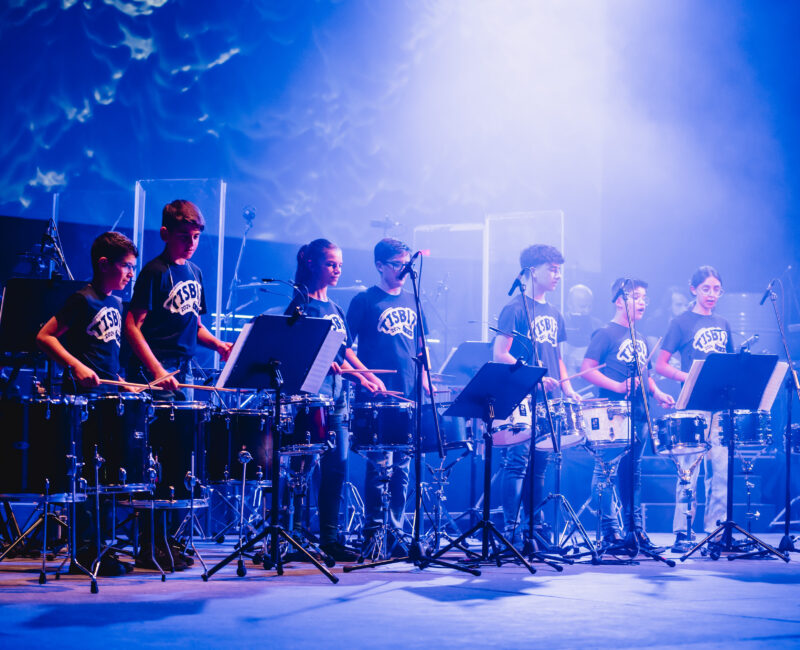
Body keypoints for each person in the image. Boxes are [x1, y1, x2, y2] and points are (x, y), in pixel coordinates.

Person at [36, 231, 139, 575]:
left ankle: (101, 549)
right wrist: (76, 366)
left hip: (108, 401)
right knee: (87, 477)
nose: (130, 275)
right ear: (103, 264)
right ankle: (84, 552)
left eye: (132, 268)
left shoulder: (116, 303)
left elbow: (107, 359)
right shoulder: (83, 299)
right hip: (82, 405)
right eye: (125, 267)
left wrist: (124, 384)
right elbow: (44, 336)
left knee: (108, 477)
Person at [284, 238, 382, 562]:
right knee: (302, 467)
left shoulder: (336, 308)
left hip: (338, 397)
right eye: (331, 263)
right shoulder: (302, 306)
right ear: (313, 264)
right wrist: (345, 371)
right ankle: (294, 535)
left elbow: (347, 351)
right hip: (311, 396)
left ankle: (329, 538)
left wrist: (367, 375)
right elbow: (297, 354)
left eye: (339, 263)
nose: (337, 269)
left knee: (337, 467)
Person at [493, 244, 580, 547]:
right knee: (517, 462)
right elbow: (500, 354)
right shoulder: (515, 308)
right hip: (520, 396)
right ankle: (511, 530)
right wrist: (533, 378)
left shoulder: (554, 313)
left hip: (548, 399)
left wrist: (569, 389)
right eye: (552, 269)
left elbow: (558, 358)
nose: (558, 275)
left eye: (559, 269)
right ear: (533, 271)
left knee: (541, 462)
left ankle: (535, 526)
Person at [580, 278, 674, 550]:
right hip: (613, 413)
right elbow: (587, 369)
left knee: (634, 472)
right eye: (636, 296)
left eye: (645, 297)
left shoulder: (640, 338)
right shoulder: (605, 333)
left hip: (640, 414)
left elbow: (645, 373)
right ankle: (609, 532)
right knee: (606, 470)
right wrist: (618, 386)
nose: (642, 302)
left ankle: (635, 531)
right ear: (620, 301)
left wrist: (656, 392)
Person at [346, 238, 425, 556]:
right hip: (376, 396)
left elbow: (419, 345)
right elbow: (345, 345)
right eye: (396, 264)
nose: (403, 270)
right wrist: (366, 375)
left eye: (407, 264)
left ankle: (396, 534)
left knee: (402, 469)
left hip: (407, 395)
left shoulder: (413, 299)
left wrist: (424, 378)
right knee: (380, 467)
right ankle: (373, 533)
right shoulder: (365, 300)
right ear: (380, 265)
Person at [654, 266, 733, 551]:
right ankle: (683, 531)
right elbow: (659, 364)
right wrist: (688, 376)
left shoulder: (723, 323)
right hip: (691, 406)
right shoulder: (681, 322)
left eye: (716, 289)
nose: (711, 295)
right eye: (706, 289)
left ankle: (716, 528)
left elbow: (729, 363)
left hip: (719, 406)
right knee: (689, 470)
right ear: (694, 290)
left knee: (721, 470)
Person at [124, 199, 232, 396]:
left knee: (183, 426)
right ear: (165, 234)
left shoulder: (195, 272)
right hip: (154, 369)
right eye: (184, 237)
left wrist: (218, 345)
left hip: (185, 369)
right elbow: (132, 326)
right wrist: (156, 369)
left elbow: (196, 327)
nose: (192, 243)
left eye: (196, 237)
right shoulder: (155, 271)